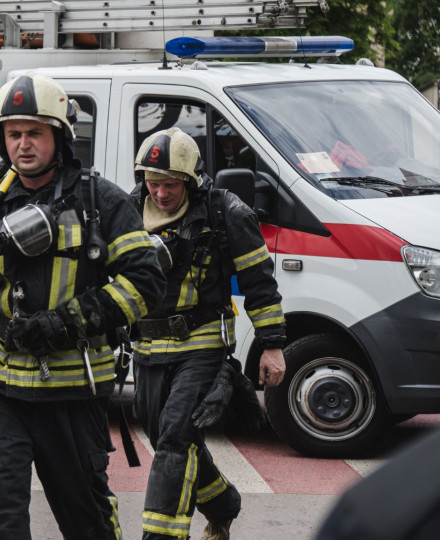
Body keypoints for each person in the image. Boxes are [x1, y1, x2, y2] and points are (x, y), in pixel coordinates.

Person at [0, 72, 165, 539]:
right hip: (1, 389)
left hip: (72, 391)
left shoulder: (100, 200)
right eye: (13, 134)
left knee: (87, 522)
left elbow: (145, 283)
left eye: (34, 132)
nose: (23, 144)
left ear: (59, 135)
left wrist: (67, 322)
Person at [129, 127, 286, 540]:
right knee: (166, 435)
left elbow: (259, 282)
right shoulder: (129, 211)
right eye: (152, 183)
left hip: (200, 345)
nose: (159, 194)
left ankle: (161, 535)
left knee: (176, 436)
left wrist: (271, 345)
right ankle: (222, 504)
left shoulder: (225, 212)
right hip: (146, 346)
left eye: (170, 185)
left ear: (191, 181)